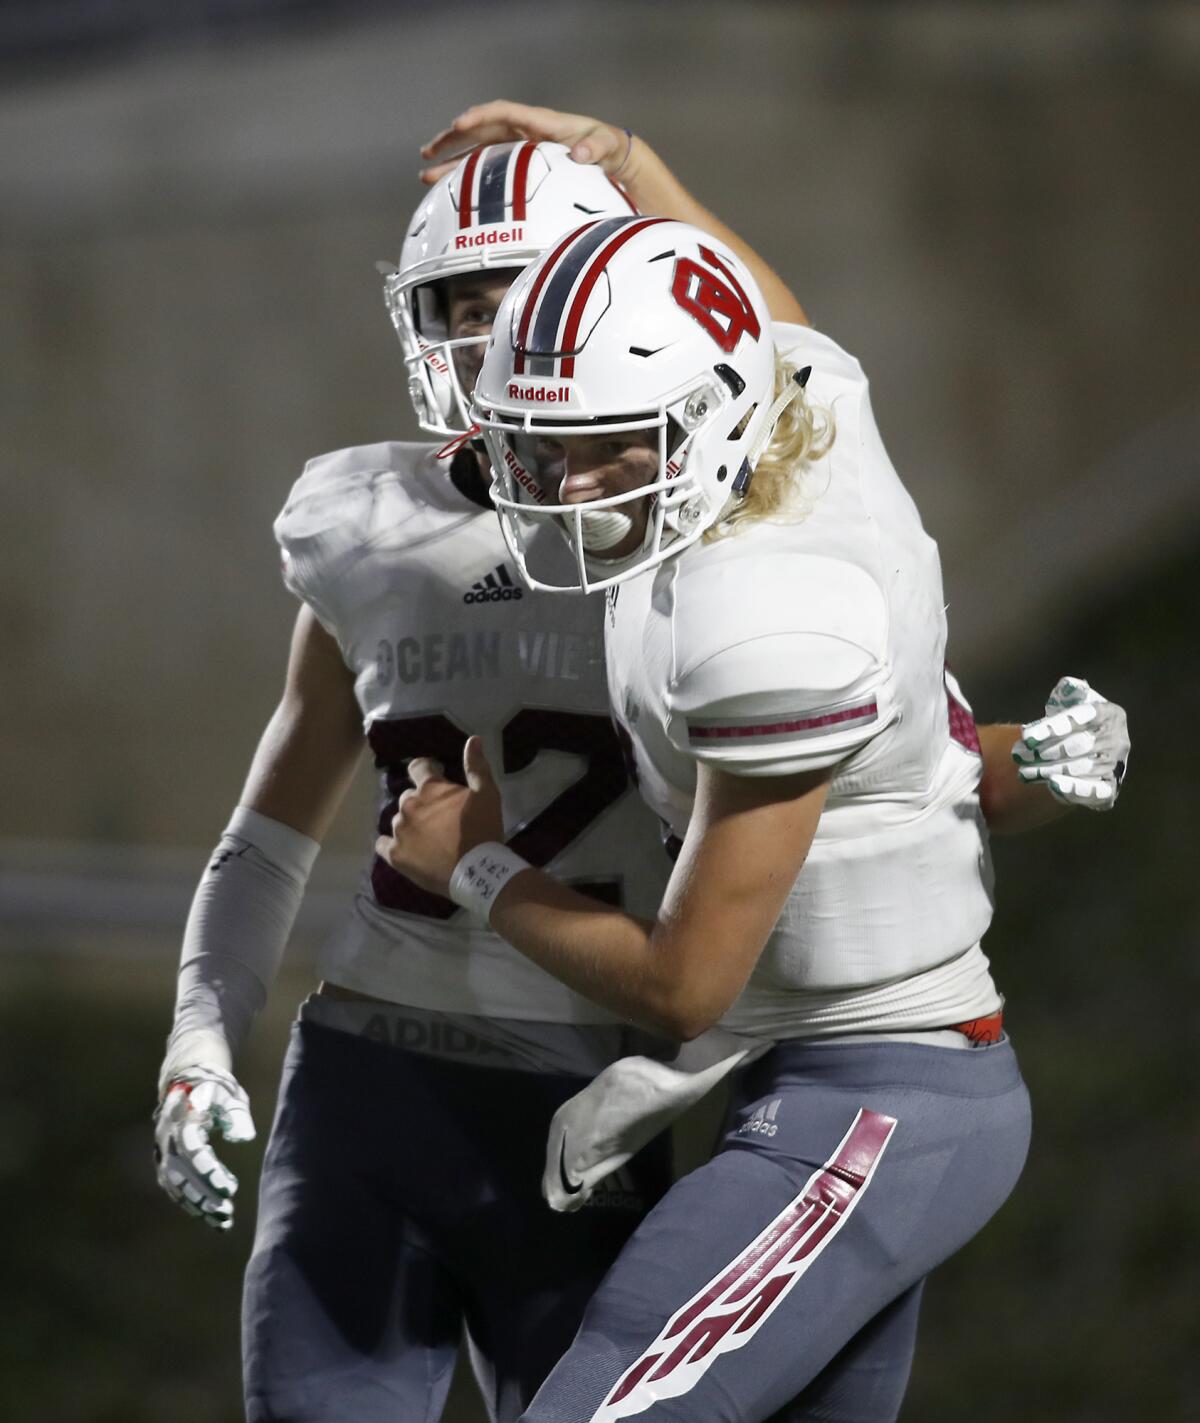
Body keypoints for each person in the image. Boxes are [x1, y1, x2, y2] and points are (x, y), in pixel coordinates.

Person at [376, 211, 1130, 1421]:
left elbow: (687, 983)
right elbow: (911, 786)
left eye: (611, 444)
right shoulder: (811, 423)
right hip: (839, 1076)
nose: (568, 488)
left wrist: (477, 863)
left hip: (877, 1099)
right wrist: (621, 162)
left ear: (714, 413)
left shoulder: (762, 616)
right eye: (544, 446)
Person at [151, 121, 839, 1423]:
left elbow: (807, 371)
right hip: (366, 1070)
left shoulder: (710, 532)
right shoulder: (366, 522)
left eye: (518, 292)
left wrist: (631, 157)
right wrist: (199, 1033)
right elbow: (269, 828)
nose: (484, 336)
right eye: (458, 306)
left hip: (590, 1094)